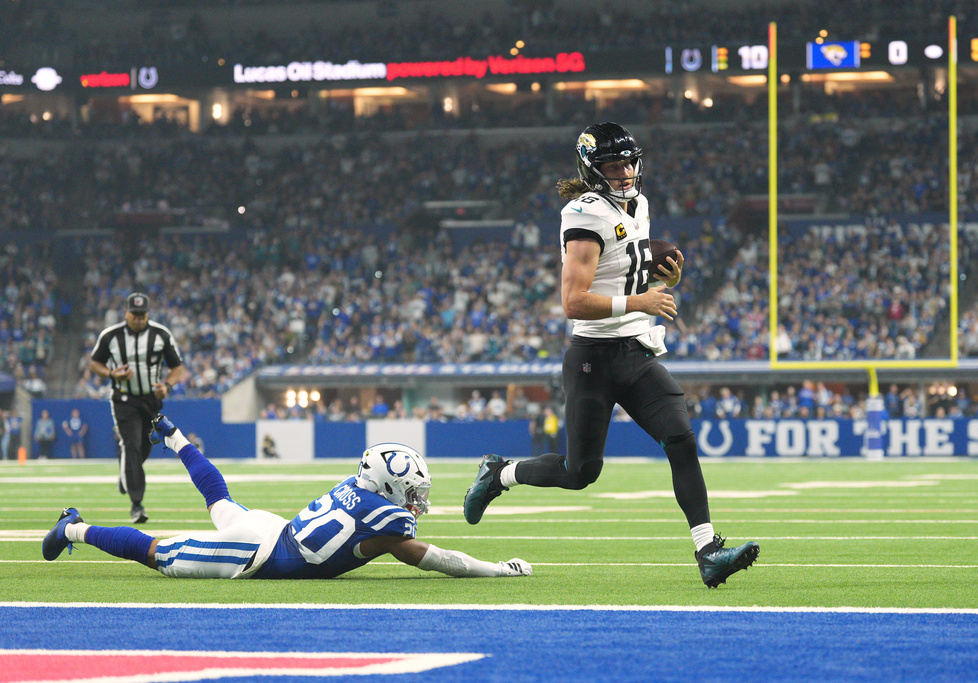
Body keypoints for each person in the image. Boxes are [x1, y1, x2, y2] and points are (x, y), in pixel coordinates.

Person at [463, 122, 759, 588]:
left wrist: (661, 285)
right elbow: (573, 302)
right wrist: (641, 302)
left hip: (636, 350)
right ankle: (501, 473)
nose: (624, 173)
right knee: (580, 473)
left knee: (680, 439)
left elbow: (623, 274)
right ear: (592, 170)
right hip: (593, 358)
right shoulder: (583, 213)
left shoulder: (638, 204)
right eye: (613, 165)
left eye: (628, 162)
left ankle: (708, 552)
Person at [42, 414, 532, 581]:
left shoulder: (360, 487)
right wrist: (498, 570)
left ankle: (172, 436)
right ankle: (72, 527)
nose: (415, 502)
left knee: (221, 501)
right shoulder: (388, 524)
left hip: (276, 533)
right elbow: (439, 560)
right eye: (410, 492)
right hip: (257, 552)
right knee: (158, 553)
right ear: (388, 488)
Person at [89, 292, 189, 523]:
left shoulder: (161, 334)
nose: (138, 319)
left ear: (148, 314)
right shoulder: (111, 336)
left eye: (142, 315)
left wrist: (168, 386)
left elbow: (176, 367)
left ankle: (126, 474)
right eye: (134, 315)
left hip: (151, 400)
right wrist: (112, 373)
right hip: (124, 399)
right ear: (125, 313)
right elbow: (95, 363)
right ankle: (137, 505)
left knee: (145, 446)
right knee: (131, 444)